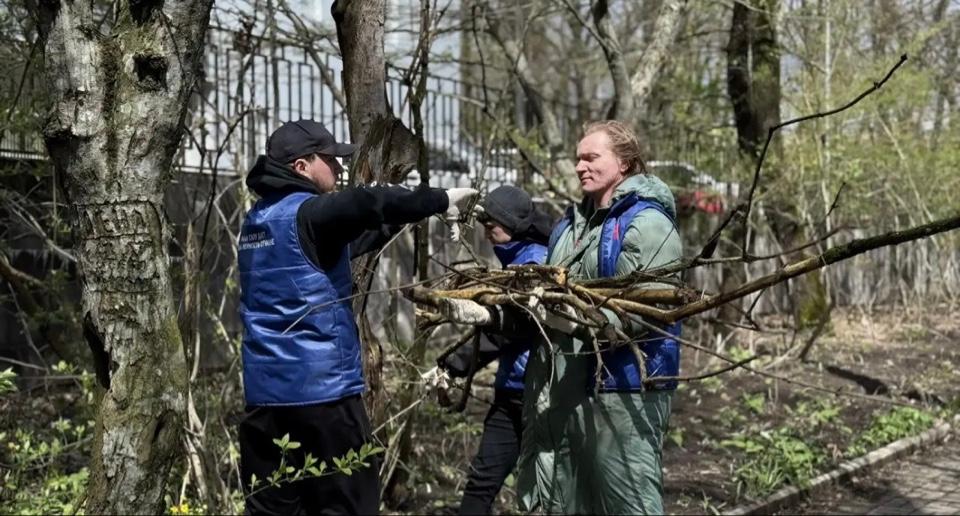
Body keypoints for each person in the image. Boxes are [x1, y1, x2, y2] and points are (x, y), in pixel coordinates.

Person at [439, 120, 683, 514]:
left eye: (592, 157)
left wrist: (576, 321)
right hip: (565, 386)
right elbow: (545, 307)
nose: (580, 166)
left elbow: (648, 309)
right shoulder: (570, 227)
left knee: (627, 503)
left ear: (624, 163)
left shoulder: (647, 223)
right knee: (567, 501)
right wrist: (492, 316)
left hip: (624, 388)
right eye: (578, 158)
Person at [237, 119, 478, 515]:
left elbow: (344, 243)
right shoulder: (311, 212)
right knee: (349, 506)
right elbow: (364, 203)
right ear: (301, 166)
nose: (339, 166)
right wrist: (438, 199)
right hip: (323, 400)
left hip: (264, 402)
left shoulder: (256, 223)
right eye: (330, 159)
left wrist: (405, 217)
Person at [438, 186, 553, 515]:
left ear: (513, 224)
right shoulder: (513, 260)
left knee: (548, 490)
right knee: (482, 481)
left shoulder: (536, 263)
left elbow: (510, 328)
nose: (487, 232)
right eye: (484, 224)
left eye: (492, 225)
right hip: (510, 393)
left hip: (541, 396)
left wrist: (454, 364)